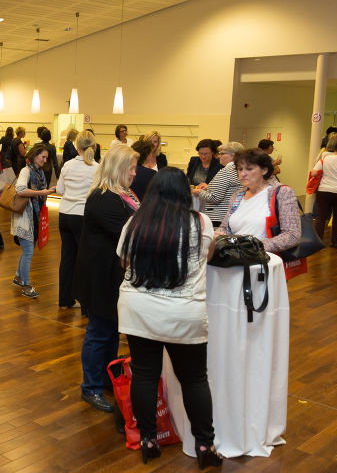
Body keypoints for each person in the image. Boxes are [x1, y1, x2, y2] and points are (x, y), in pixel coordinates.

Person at [116, 167, 222, 468]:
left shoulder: (135, 222)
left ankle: (148, 439)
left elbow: (124, 259)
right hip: (183, 311)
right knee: (194, 379)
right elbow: (208, 254)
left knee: (145, 374)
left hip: (139, 308)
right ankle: (205, 444)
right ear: (183, 193)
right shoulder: (200, 222)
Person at [73, 145, 139, 411]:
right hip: (99, 277)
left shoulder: (122, 194)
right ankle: (90, 387)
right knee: (100, 333)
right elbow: (131, 234)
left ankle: (105, 378)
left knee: (110, 332)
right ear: (117, 169)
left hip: (111, 276)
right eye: (131, 168)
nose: (135, 173)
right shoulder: (104, 199)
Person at [218, 149, 300, 256]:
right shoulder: (237, 195)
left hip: (264, 261)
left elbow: (292, 235)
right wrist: (218, 235)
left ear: (264, 170)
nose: (243, 174)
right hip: (235, 259)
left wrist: (254, 246)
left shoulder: (282, 192)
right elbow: (224, 227)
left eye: (249, 169)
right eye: (240, 169)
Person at [56, 130, 98, 308]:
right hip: (82, 216)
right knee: (85, 259)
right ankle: (86, 298)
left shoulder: (68, 165)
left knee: (67, 257)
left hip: (64, 214)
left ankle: (65, 299)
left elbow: (59, 190)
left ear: (76, 146)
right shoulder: (96, 168)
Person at [11, 143, 55, 298]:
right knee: (28, 251)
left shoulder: (39, 172)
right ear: (35, 155)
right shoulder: (26, 170)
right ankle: (26, 286)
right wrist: (41, 192)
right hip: (25, 216)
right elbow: (20, 189)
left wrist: (47, 191)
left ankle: (18, 277)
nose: (44, 160)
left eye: (46, 158)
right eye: (42, 157)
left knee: (27, 250)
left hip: (33, 216)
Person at [193, 142, 245, 227]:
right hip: (228, 215)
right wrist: (209, 187)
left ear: (233, 156)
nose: (219, 156)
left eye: (222, 154)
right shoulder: (238, 169)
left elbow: (215, 198)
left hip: (218, 218)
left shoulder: (227, 171)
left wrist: (198, 192)